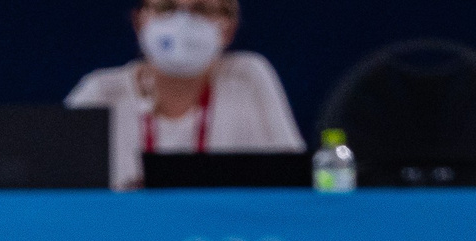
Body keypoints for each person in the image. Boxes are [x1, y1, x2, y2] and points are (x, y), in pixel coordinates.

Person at [67, 0, 303, 190]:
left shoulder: (247, 79)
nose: (182, 22)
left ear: (229, 28)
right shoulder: (101, 93)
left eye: (201, 9)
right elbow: (56, 194)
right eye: (166, 7)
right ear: (139, 22)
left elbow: (297, 183)